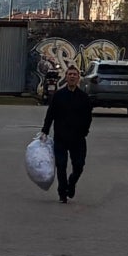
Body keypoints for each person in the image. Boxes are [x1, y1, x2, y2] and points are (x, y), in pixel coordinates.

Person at [41, 68, 95, 202]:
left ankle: (71, 183)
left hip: (78, 138)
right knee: (61, 165)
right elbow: (50, 115)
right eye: (70, 74)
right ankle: (62, 193)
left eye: (75, 75)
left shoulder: (84, 98)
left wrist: (84, 131)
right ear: (66, 77)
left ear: (78, 78)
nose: (72, 77)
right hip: (61, 137)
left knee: (79, 165)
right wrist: (45, 131)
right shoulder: (59, 96)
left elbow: (88, 117)